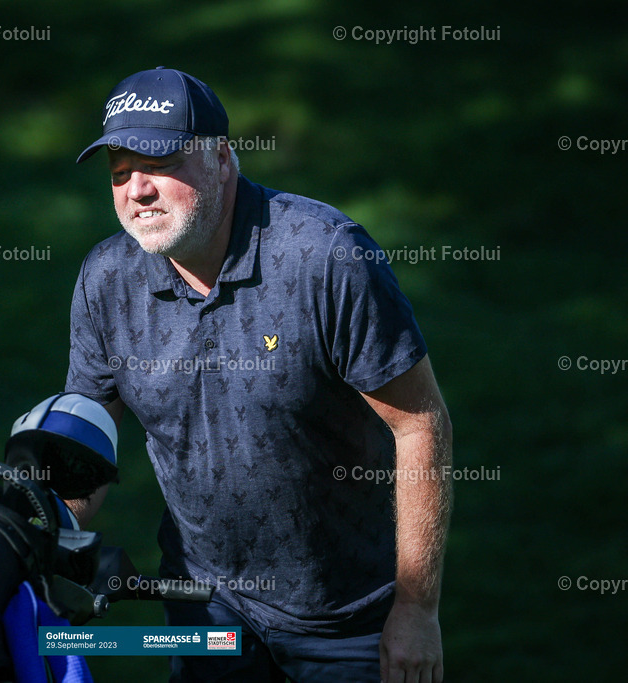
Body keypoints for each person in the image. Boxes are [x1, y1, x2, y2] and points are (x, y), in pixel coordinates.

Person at [65, 66, 452, 683]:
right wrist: (44, 536)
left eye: (158, 165)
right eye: (118, 170)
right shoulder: (106, 280)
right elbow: (84, 440)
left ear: (222, 157)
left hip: (347, 621)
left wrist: (417, 607)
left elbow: (419, 425)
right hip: (206, 610)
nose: (136, 189)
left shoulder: (325, 257)